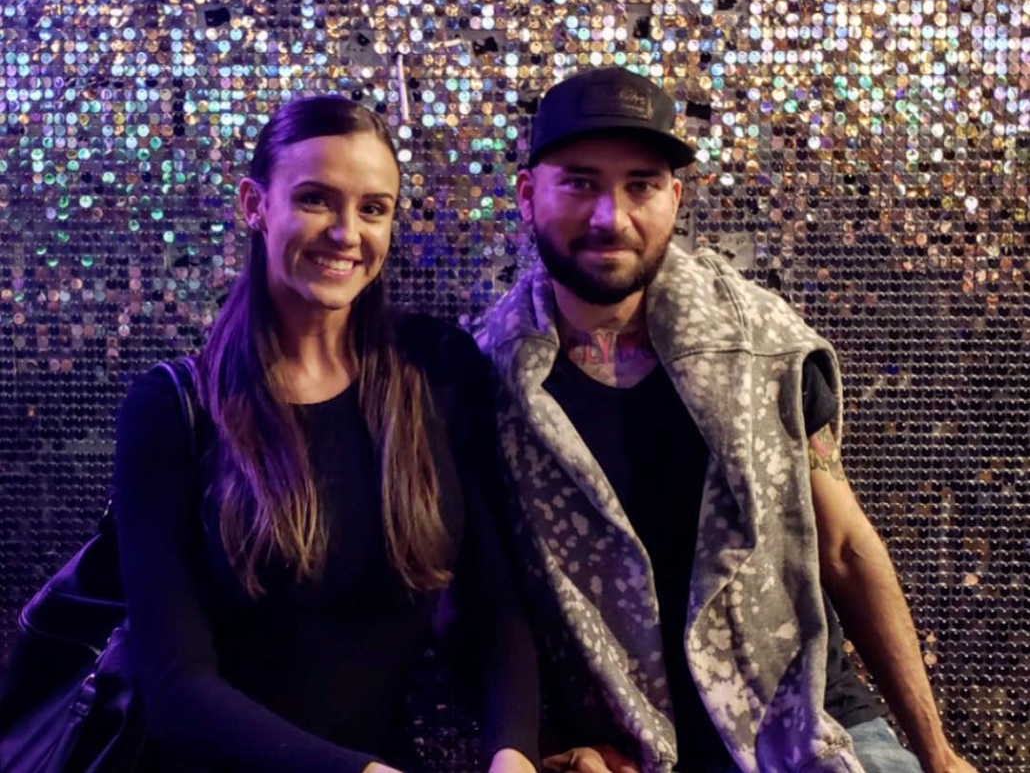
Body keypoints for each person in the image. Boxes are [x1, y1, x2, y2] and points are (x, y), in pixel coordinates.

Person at [475, 68, 975, 773]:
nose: (611, 217)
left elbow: (844, 548)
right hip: (626, 748)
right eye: (580, 183)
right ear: (529, 195)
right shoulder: (480, 381)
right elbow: (495, 605)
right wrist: (551, 744)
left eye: (641, 185)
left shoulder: (767, 347)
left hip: (807, 722)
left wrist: (938, 754)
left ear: (674, 199)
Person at [114, 95, 540, 772]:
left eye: (373, 209)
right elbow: (176, 689)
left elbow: (492, 604)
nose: (346, 233)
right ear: (255, 205)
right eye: (315, 199)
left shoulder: (437, 368)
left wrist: (512, 751)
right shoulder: (171, 409)